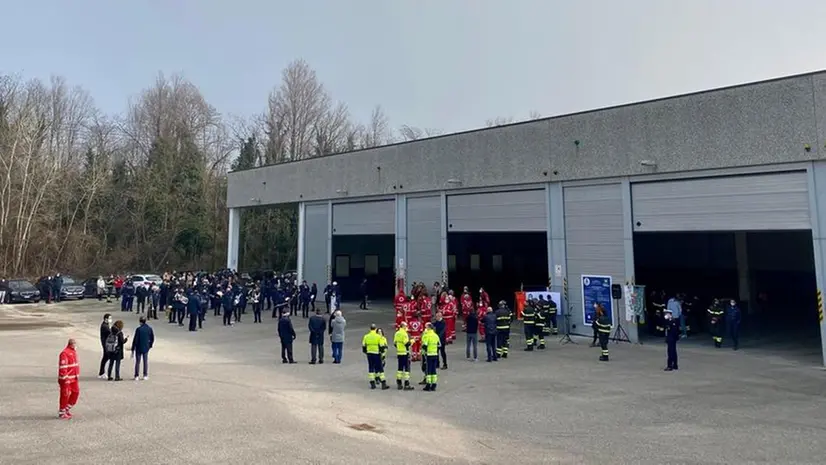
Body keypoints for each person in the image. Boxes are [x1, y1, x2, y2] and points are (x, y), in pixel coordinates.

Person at [362, 324, 389, 390]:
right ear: (375, 329)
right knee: (380, 368)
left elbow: (363, 346)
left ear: (370, 329)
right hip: (377, 354)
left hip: (369, 354)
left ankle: (372, 383)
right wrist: (382, 354)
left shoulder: (366, 336)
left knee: (371, 367)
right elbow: (382, 346)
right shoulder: (378, 337)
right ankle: (383, 383)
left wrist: (367, 352)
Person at [58, 338, 80, 419]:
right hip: (66, 379)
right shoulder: (64, 353)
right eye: (74, 343)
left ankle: (67, 408)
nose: (75, 345)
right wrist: (65, 378)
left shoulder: (73, 352)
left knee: (76, 393)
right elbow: (63, 367)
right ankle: (62, 411)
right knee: (65, 395)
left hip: (74, 378)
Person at [131, 316, 154, 380]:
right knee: (145, 361)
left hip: (138, 347)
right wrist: (150, 345)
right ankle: (145, 375)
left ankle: (136, 375)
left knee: (137, 362)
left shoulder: (138, 329)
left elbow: (135, 339)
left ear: (140, 322)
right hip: (146, 347)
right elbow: (152, 338)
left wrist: (133, 348)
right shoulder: (149, 328)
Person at [393, 322, 414, 390]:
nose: (407, 327)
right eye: (406, 326)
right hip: (405, 353)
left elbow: (395, 343)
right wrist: (412, 341)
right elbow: (407, 344)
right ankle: (406, 384)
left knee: (400, 368)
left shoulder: (397, 333)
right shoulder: (404, 334)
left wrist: (399, 348)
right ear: (403, 326)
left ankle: (399, 383)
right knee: (407, 369)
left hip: (399, 353)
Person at [421, 322, 441, 392]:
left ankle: (428, 385)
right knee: (433, 370)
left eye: (426, 327)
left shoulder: (427, 336)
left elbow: (424, 346)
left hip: (428, 355)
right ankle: (434, 385)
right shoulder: (436, 336)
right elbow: (439, 345)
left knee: (428, 370)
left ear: (429, 328)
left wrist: (424, 353)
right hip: (435, 355)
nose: (425, 328)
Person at [98, 313, 112, 379]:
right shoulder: (104, 326)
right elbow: (110, 332)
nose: (110, 319)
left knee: (105, 358)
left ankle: (101, 372)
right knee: (106, 358)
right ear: (106, 319)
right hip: (105, 344)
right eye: (109, 318)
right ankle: (102, 373)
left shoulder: (106, 324)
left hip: (105, 343)